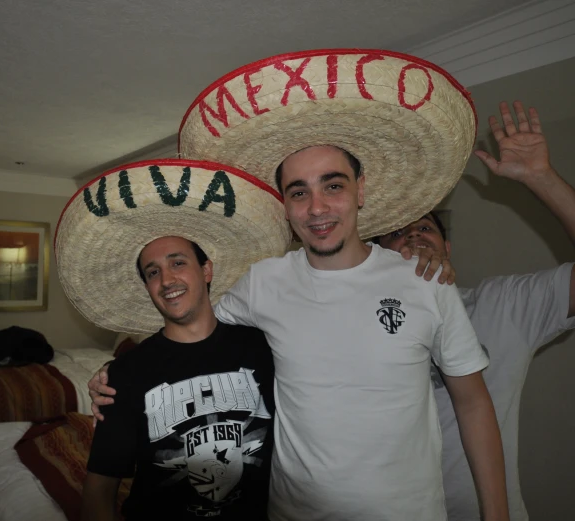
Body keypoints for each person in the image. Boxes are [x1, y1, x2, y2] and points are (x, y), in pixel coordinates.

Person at [90, 49, 510, 521]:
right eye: (298, 192)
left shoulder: (425, 280)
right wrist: (118, 375)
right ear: (285, 207)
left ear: (361, 190)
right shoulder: (264, 282)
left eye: (333, 185)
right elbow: (191, 329)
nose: (316, 208)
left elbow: (473, 404)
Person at [54, 160, 293, 521]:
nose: (167, 280)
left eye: (178, 263)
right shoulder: (125, 374)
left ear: (206, 269)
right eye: (153, 272)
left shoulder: (263, 346)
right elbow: (99, 491)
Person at [376, 101, 575, 521]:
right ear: (376, 256)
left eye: (425, 227)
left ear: (447, 248)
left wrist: (542, 178)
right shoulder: (356, 323)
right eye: (396, 232)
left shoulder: (501, 305)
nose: (413, 234)